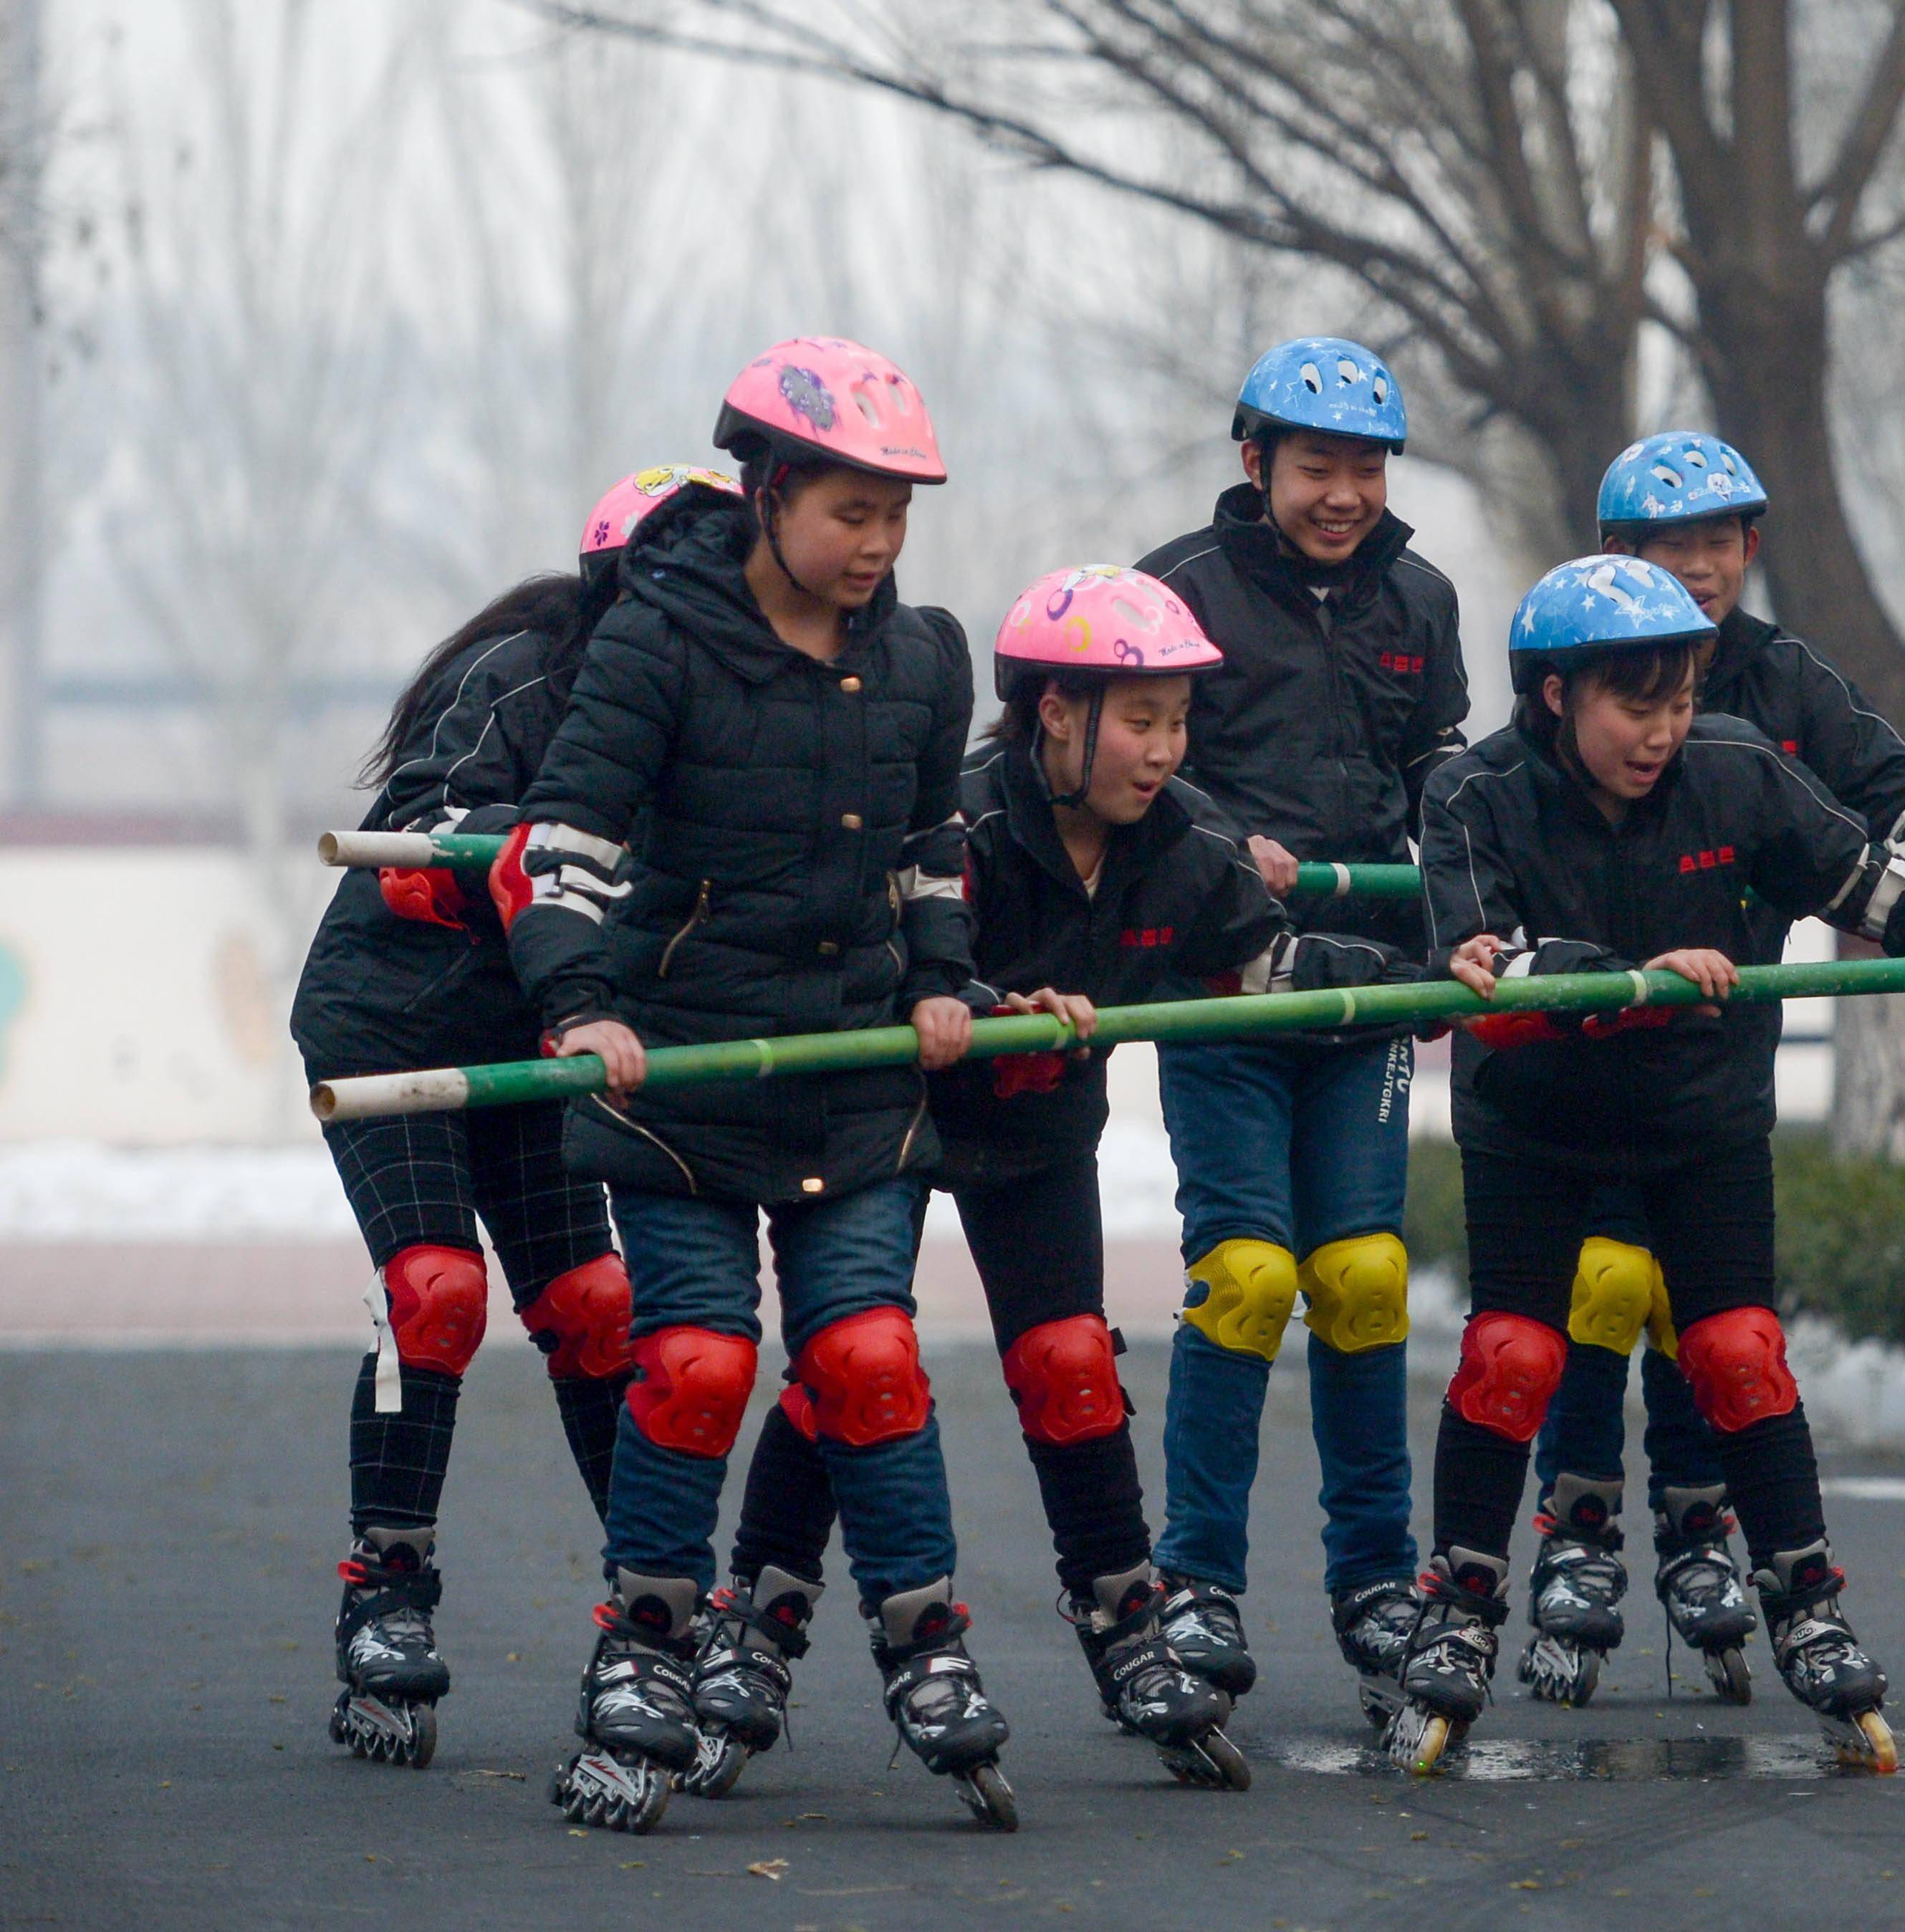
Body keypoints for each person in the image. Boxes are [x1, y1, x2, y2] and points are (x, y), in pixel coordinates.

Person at [699, 567, 1421, 1794]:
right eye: (1138, 720)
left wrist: (1423, 980)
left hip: (1035, 1136)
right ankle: (758, 1621)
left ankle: (1124, 1619)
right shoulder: (961, 824)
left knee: (1072, 1362)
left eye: (1178, 719)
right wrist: (982, 1005)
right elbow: (877, 962)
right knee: (853, 1364)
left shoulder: (1182, 836)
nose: (1163, 749)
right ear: (1052, 714)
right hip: (896, 1121)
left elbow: (1264, 962)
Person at [1398, 554, 1905, 1774]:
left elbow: (1863, 883)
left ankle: (1808, 1600)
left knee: (1734, 1350)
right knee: (1515, 1354)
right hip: (1536, 1125)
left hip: (1698, 1116)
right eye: (1635, 706)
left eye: (1677, 702)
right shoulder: (1476, 791)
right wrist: (1629, 976)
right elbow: (1483, 961)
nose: (1661, 734)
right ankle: (1459, 1607)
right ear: (1556, 694)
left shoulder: (1729, 765)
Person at [500, 337, 1016, 1833]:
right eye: (848, 510)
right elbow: (563, 845)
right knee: (703, 1365)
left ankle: (924, 1645)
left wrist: (939, 972)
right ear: (768, 489)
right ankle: (645, 1655)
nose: (875, 545)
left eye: (895, 515)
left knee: (866, 1358)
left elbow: (932, 848)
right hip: (682, 1083)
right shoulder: (658, 643)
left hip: (855, 1081)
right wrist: (578, 1002)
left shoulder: (924, 659)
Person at [1510, 431, 1905, 1707]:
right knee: (1591, 1288)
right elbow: (1498, 812)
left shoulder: (1779, 681)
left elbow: (1886, 793)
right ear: (1615, 558)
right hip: (1582, 1063)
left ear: (1749, 550)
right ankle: (1576, 1539)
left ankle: (1700, 1530)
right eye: (1670, 545)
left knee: (1714, 1316)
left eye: (1720, 543)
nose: (1699, 570)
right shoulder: (1575, 665)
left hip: (1715, 1056)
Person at [287, 464, 727, 1769]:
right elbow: (427, 826)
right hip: (400, 1017)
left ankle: (656, 1620)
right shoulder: (534, 674)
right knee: (437, 1291)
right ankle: (386, 1595)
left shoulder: (723, 703)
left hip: (548, 1032)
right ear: (626, 586)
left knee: (596, 1306)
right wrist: (533, 852)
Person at [1130, 337, 1466, 1719]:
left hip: (1367, 986)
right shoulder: (1177, 591)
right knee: (1251, 1278)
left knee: (1366, 1274)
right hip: (1224, 984)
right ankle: (1195, 1581)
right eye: (1316, 465)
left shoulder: (1422, 595)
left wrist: (1469, 910)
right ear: (1254, 460)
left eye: (1365, 467)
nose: (1343, 493)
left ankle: (1376, 1579)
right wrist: (1222, 844)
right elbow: (1138, 772)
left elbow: (1445, 772)